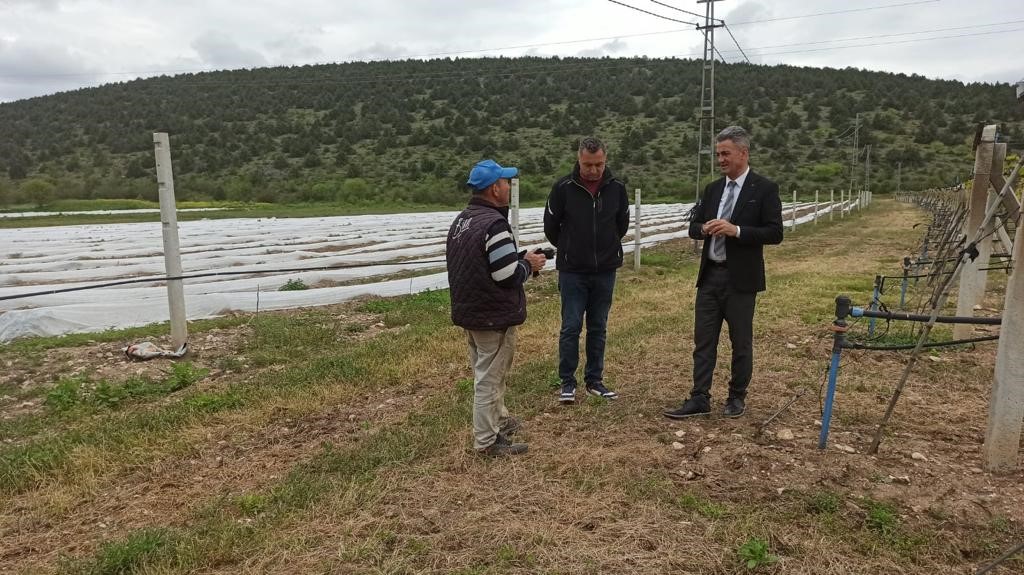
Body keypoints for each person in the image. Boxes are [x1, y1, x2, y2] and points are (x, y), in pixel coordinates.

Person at [664, 126, 783, 420]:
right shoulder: (713, 189)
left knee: (740, 341)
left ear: (743, 153)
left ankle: (736, 396)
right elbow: (693, 226)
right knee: (703, 340)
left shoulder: (764, 189)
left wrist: (737, 230)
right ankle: (699, 397)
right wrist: (703, 228)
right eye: (718, 154)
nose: (720, 159)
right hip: (710, 277)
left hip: (741, 280)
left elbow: (775, 232)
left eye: (725, 153)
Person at [447, 159, 546, 456]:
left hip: (471, 311)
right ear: (494, 189)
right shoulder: (495, 224)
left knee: (486, 372)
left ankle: (497, 420)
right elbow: (506, 276)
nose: (508, 186)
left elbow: (482, 263)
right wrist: (529, 265)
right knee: (490, 378)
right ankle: (486, 441)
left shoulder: (463, 221)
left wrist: (516, 256)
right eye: (505, 182)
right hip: (493, 314)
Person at [544, 136, 630, 405]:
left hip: (605, 270)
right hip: (572, 271)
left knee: (598, 326)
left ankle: (595, 381)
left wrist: (606, 249)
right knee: (570, 326)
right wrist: (571, 249)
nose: (593, 170)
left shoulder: (617, 188)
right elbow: (551, 227)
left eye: (598, 164)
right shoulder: (562, 188)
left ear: (605, 160)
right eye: (588, 164)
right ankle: (567, 382)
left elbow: (622, 225)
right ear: (579, 160)